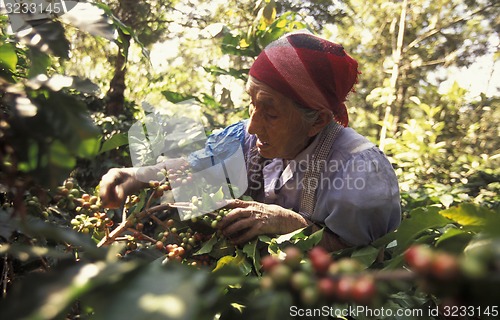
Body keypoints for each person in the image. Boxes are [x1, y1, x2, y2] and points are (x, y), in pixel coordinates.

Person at [99, 32, 401, 251]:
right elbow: (198, 164)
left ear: (319, 121)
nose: (253, 126)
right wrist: (136, 176)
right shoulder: (245, 136)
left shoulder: (359, 171)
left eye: (270, 113)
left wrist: (291, 225)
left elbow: (364, 258)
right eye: (251, 104)